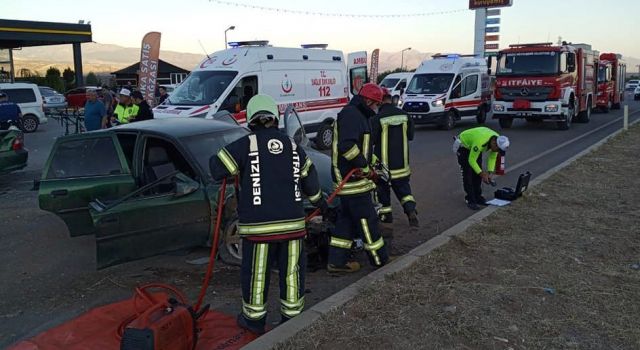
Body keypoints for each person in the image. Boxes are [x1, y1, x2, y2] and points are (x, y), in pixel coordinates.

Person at [209, 94, 327, 335]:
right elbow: (311, 182)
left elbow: (216, 168)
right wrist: (320, 204)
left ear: (251, 120)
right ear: (274, 118)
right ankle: (291, 319)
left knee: (257, 274)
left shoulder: (245, 145)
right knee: (292, 273)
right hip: (293, 226)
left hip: (259, 228)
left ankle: (253, 321)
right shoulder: (293, 146)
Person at [328, 83, 390, 273]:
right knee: (367, 220)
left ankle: (337, 262)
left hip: (353, 179)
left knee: (346, 221)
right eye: (376, 105)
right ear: (369, 100)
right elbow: (347, 147)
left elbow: (362, 148)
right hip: (351, 181)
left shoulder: (359, 116)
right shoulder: (352, 115)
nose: (376, 109)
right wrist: (364, 169)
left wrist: (373, 165)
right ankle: (380, 260)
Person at [371, 89, 419, 227]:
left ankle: (386, 217)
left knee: (382, 192)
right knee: (404, 191)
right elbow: (410, 136)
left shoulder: (376, 119)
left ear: (380, 102)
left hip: (383, 167)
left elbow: (372, 141)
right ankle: (411, 211)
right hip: (402, 165)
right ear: (391, 100)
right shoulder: (405, 115)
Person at [453, 126, 510, 210]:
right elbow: (471, 160)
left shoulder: (498, 141)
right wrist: (482, 174)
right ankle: (470, 200)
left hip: (475, 146)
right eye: (497, 150)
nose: (497, 152)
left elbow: (492, 157)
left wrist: (490, 173)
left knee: (477, 174)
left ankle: (478, 197)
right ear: (494, 143)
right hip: (464, 146)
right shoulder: (480, 142)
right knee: (467, 174)